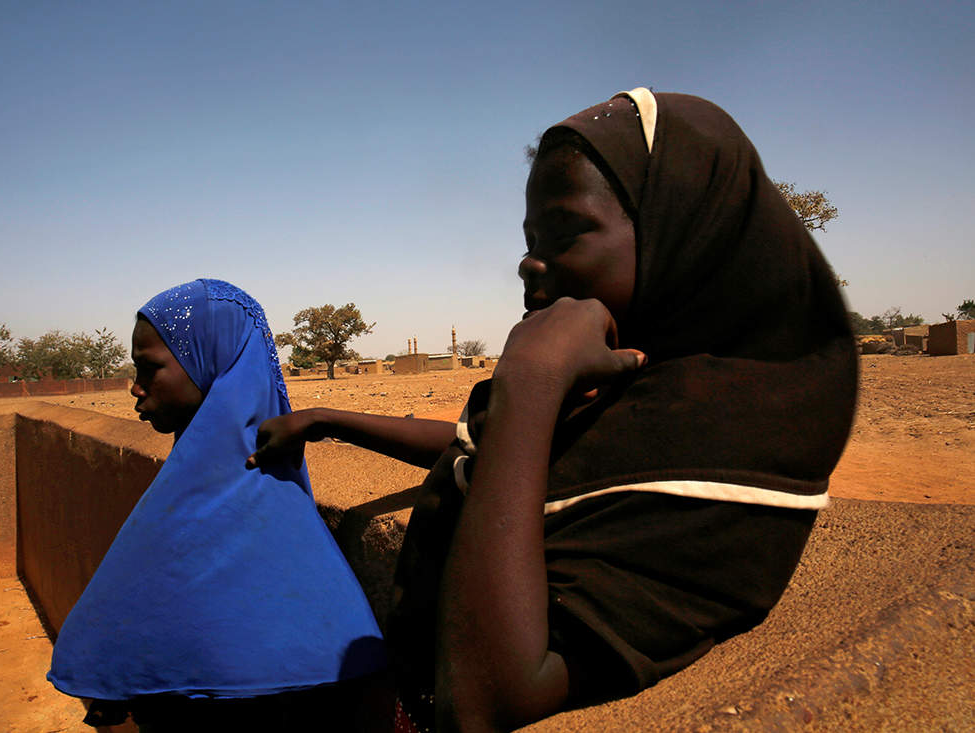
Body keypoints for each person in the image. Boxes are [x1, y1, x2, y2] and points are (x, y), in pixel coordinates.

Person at [247, 89, 857, 732]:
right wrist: (329, 420)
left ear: (683, 237)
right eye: (530, 239)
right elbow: (485, 455)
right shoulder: (632, 384)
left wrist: (530, 383)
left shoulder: (732, 449)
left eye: (565, 232)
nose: (527, 263)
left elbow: (485, 701)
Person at [48, 278, 387, 730]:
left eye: (148, 369)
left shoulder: (242, 500)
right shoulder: (193, 489)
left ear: (209, 362)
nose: (136, 388)